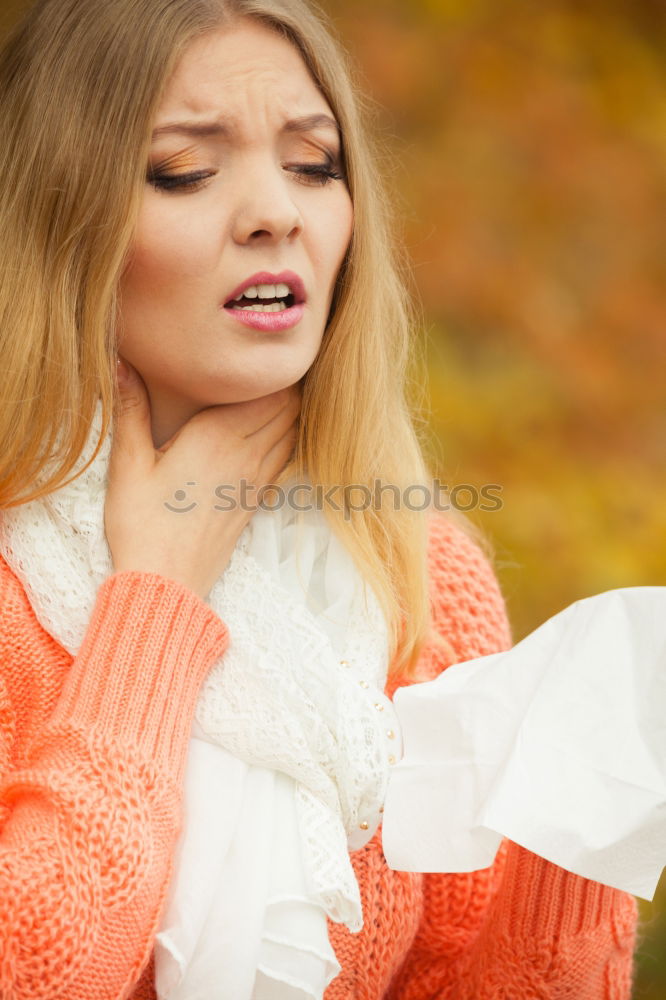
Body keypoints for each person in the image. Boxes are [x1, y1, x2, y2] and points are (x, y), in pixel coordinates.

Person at [0, 0, 639, 997]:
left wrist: (585, 815)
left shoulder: (418, 573)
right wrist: (156, 602)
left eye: (313, 164)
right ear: (58, 218)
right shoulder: (11, 585)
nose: (277, 213)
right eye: (185, 170)